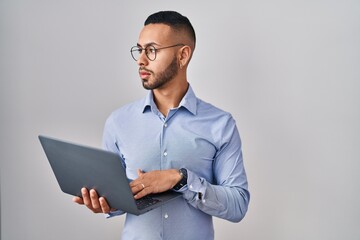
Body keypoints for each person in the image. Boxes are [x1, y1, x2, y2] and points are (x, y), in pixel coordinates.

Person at [73, 10, 250, 240]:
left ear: (183, 55)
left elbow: (238, 205)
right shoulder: (118, 122)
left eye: (152, 50)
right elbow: (118, 197)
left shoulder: (220, 124)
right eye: (139, 49)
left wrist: (181, 179)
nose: (141, 60)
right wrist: (106, 203)